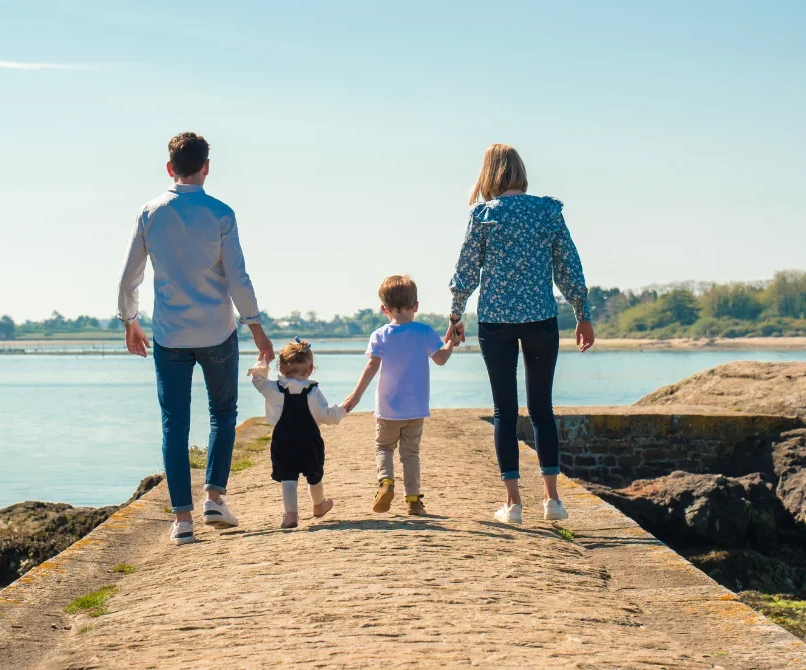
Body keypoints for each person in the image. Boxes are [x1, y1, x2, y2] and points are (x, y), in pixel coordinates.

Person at [117, 132, 274, 546]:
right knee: (223, 414)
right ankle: (214, 498)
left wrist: (129, 320)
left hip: (169, 335)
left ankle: (182, 521)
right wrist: (258, 330)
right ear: (207, 167)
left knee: (175, 424)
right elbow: (237, 277)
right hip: (218, 332)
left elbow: (130, 274)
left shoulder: (150, 212)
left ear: (170, 168)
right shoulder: (221, 213)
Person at [446, 143, 595, 525]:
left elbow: (466, 270)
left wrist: (455, 313)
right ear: (520, 171)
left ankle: (513, 505)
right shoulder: (548, 212)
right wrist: (582, 314)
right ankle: (553, 500)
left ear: (489, 173)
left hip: (496, 322)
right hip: (542, 320)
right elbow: (568, 266)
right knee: (542, 409)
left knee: (505, 411)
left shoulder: (483, 215)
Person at [343, 275, 455, 516]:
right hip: (416, 409)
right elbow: (441, 359)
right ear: (416, 305)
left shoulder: (380, 335)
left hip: (387, 408)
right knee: (411, 454)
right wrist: (451, 342)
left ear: (384, 309)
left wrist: (356, 395)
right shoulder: (424, 332)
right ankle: (413, 500)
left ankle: (386, 482)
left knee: (384, 447)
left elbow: (372, 366)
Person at [249, 339, 344, 528]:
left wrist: (263, 362)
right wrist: (343, 410)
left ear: (281, 368)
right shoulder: (313, 391)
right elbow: (326, 416)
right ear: (310, 370)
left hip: (283, 441)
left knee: (288, 478)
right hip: (309, 441)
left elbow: (257, 379)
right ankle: (319, 505)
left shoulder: (272, 389)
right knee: (314, 475)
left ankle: (291, 515)